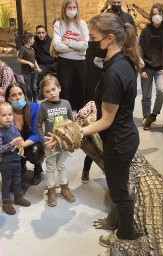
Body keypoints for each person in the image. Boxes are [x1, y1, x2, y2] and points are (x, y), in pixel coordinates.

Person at [69, 12, 140, 255]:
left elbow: (107, 120)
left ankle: (125, 239)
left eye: (93, 37)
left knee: (120, 194)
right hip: (125, 136)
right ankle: (117, 225)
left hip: (119, 142)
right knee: (118, 187)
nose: (90, 41)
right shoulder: (122, 61)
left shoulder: (114, 73)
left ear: (110, 38)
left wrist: (79, 129)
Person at [35, 74, 75, 207]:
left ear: (59, 88)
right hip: (50, 145)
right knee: (51, 167)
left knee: (62, 165)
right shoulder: (44, 107)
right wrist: (44, 142)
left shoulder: (66, 104)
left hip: (63, 144)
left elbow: (72, 123)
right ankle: (51, 190)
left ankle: (64, 187)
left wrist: (71, 140)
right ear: (43, 93)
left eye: (53, 89)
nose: (51, 93)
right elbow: (38, 125)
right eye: (47, 91)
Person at [139, 3, 163, 130]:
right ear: (151, 15)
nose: (156, 16)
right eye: (154, 14)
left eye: (158, 14)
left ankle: (153, 114)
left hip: (161, 69)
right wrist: (141, 69)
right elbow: (139, 51)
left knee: (162, 92)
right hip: (146, 68)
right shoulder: (145, 31)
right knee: (146, 96)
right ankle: (145, 118)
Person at [5, 83, 45, 185]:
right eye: (13, 95)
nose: (18, 98)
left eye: (20, 94)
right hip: (14, 145)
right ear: (9, 99)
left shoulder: (34, 107)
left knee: (36, 151)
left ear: (24, 95)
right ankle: (21, 165)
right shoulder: (5, 112)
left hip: (30, 144)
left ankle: (38, 168)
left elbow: (37, 134)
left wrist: (23, 144)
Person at [53, 0, 89, 111]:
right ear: (64, 9)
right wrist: (77, 45)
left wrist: (68, 42)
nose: (72, 10)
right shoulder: (59, 24)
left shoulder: (82, 24)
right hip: (64, 62)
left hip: (80, 61)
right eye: (69, 7)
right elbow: (57, 46)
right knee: (65, 90)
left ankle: (81, 119)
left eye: (74, 7)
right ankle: (65, 119)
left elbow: (85, 46)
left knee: (81, 92)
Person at [0, 102, 31, 215]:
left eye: (10, 114)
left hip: (17, 160)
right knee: (7, 183)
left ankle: (18, 197)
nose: (8, 117)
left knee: (18, 180)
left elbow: (19, 137)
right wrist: (12, 143)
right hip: (5, 163)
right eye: (3, 115)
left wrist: (21, 143)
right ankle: (6, 202)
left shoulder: (13, 126)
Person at [74, 101, 97, 183]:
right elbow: (82, 113)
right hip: (93, 134)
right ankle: (85, 171)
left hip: (107, 133)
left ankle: (107, 170)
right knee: (91, 153)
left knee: (107, 153)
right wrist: (92, 115)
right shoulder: (93, 104)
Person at [32, 25, 57, 98]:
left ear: (46, 33)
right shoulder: (34, 42)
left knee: (64, 71)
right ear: (36, 34)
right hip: (43, 65)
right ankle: (40, 93)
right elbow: (21, 39)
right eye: (39, 33)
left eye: (43, 33)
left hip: (53, 63)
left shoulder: (50, 41)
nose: (41, 35)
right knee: (38, 73)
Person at [17, 33, 41, 102]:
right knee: (28, 88)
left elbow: (34, 59)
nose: (34, 41)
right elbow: (19, 59)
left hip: (34, 72)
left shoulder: (32, 49)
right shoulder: (23, 49)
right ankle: (29, 101)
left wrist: (38, 67)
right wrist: (28, 63)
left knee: (34, 87)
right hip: (27, 72)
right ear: (30, 40)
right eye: (33, 39)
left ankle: (35, 101)